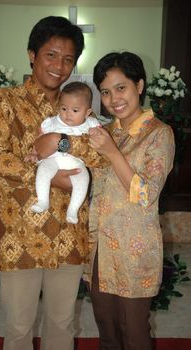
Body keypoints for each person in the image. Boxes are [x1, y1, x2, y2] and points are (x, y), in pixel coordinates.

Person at [0, 16, 105, 350]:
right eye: (51, 55)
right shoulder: (2, 103)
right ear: (32, 54)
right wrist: (53, 179)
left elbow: (102, 156)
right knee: (19, 327)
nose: (59, 66)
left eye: (67, 59)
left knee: (63, 325)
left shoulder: (81, 109)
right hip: (20, 236)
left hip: (68, 236)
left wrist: (61, 143)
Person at [86, 51, 175, 350]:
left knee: (134, 332)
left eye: (121, 87)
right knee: (107, 330)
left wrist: (111, 152)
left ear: (139, 85)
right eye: (105, 92)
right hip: (99, 250)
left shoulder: (159, 135)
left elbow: (145, 195)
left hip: (134, 252)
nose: (113, 99)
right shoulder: (102, 132)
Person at [30, 81, 100, 224]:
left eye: (75, 110)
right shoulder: (52, 122)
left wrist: (96, 133)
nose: (68, 114)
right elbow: (39, 139)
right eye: (63, 108)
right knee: (43, 170)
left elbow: (101, 143)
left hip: (76, 164)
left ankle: (73, 209)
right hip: (53, 159)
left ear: (87, 112)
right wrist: (33, 153)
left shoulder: (91, 124)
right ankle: (43, 200)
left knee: (83, 179)